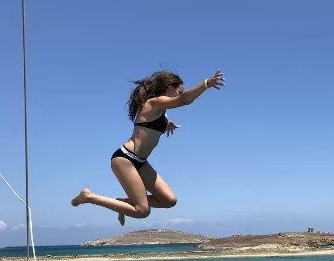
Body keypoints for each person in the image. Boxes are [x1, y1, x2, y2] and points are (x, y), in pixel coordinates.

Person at [71, 69, 225, 224]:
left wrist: (167, 125)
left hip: (141, 162)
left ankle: (122, 203)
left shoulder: (161, 111)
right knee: (142, 211)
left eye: (181, 92)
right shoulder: (153, 103)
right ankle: (89, 197)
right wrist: (206, 84)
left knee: (169, 200)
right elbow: (184, 100)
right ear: (170, 88)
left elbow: (150, 126)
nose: (180, 94)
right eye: (179, 90)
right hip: (125, 159)